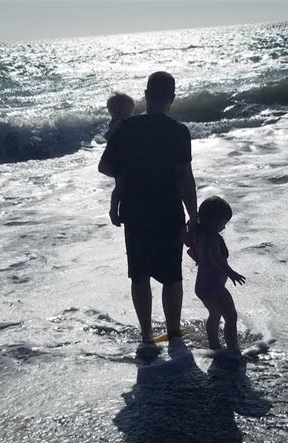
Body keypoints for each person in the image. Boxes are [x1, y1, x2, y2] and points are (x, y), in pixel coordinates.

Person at [98, 71, 198, 351]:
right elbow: (184, 176)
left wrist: (129, 176)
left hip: (135, 208)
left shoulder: (126, 128)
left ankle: (146, 336)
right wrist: (193, 216)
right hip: (168, 208)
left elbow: (104, 167)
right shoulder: (178, 131)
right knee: (172, 274)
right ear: (172, 98)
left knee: (139, 274)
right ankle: (174, 333)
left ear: (145, 95)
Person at [185, 196, 246, 357]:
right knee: (231, 317)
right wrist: (231, 273)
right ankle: (233, 350)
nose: (224, 227)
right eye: (223, 223)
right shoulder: (211, 237)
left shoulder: (198, 233)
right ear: (214, 221)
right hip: (214, 287)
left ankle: (214, 346)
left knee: (214, 314)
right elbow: (215, 257)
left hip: (202, 286)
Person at [104, 92, 135, 226]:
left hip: (121, 159)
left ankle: (114, 210)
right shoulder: (118, 123)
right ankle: (113, 211)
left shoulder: (119, 122)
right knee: (120, 186)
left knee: (120, 186)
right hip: (120, 161)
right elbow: (108, 136)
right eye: (130, 111)